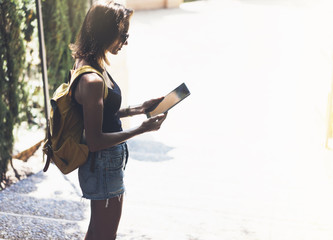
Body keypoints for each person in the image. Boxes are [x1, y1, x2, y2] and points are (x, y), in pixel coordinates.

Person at [69, 1, 167, 239]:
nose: (126, 40)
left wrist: (138, 109)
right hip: (102, 164)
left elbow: (103, 116)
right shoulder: (92, 80)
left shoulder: (92, 65)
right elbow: (94, 140)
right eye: (122, 34)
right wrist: (140, 131)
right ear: (106, 33)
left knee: (97, 232)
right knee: (104, 235)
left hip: (105, 164)